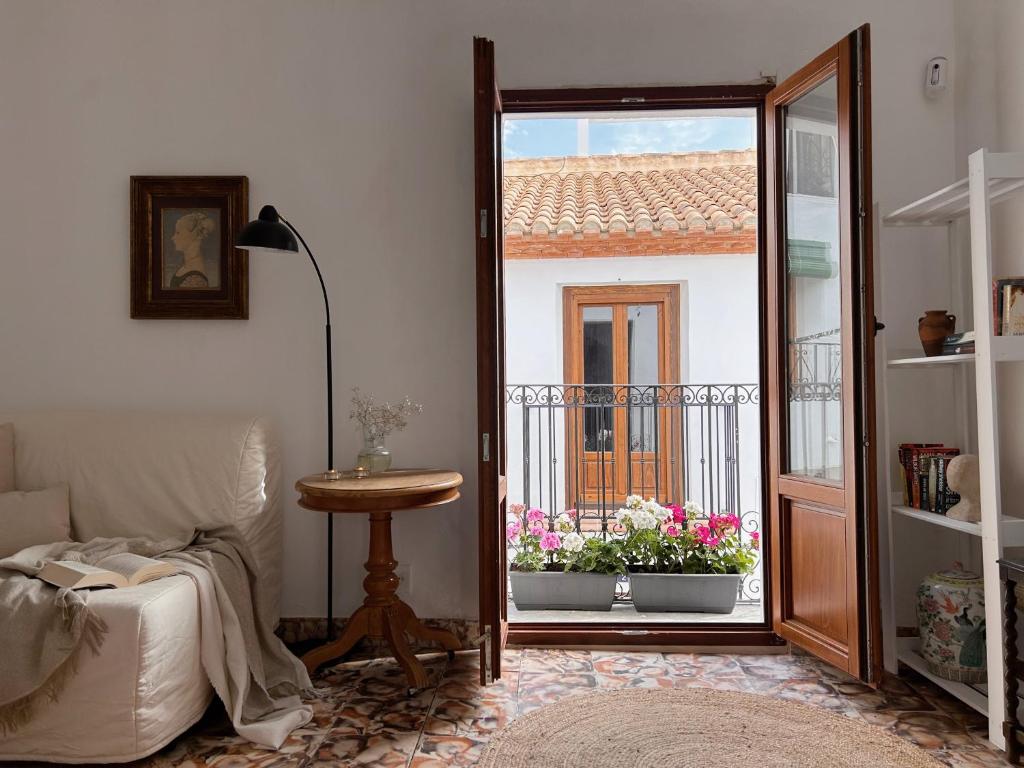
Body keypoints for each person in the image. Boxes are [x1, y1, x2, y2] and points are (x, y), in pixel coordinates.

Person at [168, 211, 217, 289]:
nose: (173, 238)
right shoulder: (187, 266)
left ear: (194, 235)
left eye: (178, 232)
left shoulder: (195, 280)